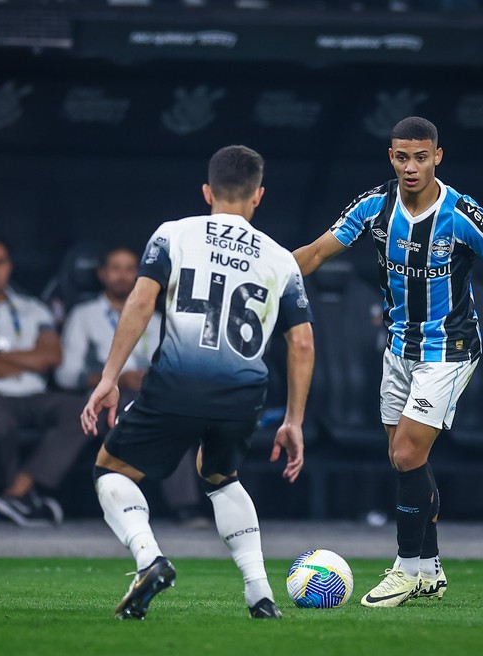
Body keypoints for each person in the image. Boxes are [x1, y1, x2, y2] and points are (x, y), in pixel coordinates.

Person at [293, 116, 483, 608]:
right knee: (405, 460)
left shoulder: (460, 213)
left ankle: (404, 570)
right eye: (402, 157)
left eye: (421, 157)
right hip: (399, 348)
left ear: (437, 157)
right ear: (391, 157)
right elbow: (313, 255)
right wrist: (258, 274)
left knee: (405, 454)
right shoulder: (375, 206)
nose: (411, 167)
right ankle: (430, 569)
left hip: (450, 349)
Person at [81, 145, 314, 620]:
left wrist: (110, 377)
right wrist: (294, 420)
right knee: (220, 476)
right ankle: (260, 593)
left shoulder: (173, 234)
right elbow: (303, 343)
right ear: (258, 196)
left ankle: (149, 559)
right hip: (244, 393)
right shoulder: (281, 259)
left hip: (178, 381)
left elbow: (140, 302)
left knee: (111, 469)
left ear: (208, 191)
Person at [55, 247, 208, 527]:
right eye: (115, 268)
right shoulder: (84, 315)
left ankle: (185, 505)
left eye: (129, 269)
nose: (123, 276)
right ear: (102, 274)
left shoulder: (157, 318)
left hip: (150, 396)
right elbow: (66, 375)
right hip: (103, 398)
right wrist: (116, 378)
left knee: (174, 419)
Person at [0, 236, 88, 527]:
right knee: (0, 425)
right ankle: (19, 498)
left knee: (82, 412)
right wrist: (27, 358)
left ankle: (16, 492)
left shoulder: (32, 307)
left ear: (9, 266)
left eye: (0, 262)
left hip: (34, 393)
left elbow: (52, 356)